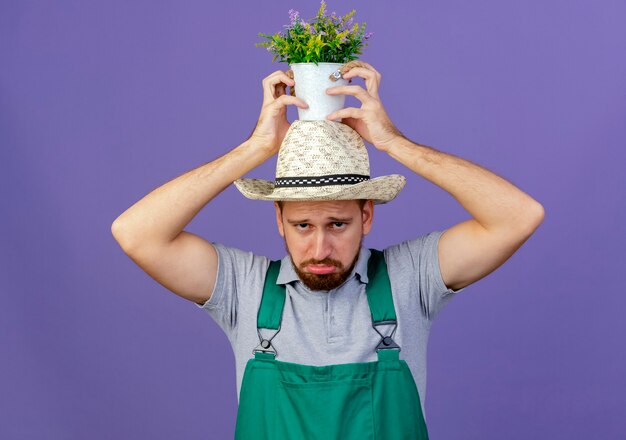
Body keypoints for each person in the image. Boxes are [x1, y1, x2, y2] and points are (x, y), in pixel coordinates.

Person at [111, 60, 544, 439]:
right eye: (302, 226)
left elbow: (517, 216)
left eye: (338, 223)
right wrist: (255, 149)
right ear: (278, 219)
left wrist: (393, 142)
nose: (320, 247)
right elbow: (136, 233)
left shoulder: (411, 277)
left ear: (367, 216)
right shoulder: (243, 290)